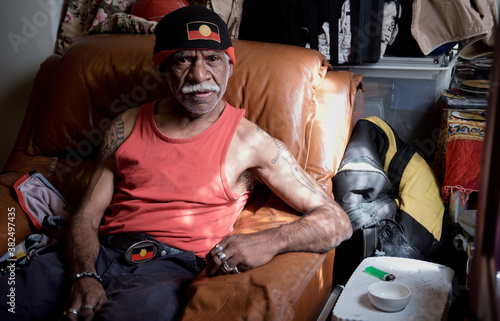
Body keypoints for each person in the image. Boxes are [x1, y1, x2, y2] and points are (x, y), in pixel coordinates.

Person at [0, 5, 352, 321]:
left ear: (230, 64)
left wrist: (269, 242)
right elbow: (88, 215)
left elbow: (336, 221)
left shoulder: (251, 142)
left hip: (167, 270)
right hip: (95, 255)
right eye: (184, 59)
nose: (200, 76)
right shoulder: (125, 124)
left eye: (212, 59)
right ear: (163, 68)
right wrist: (83, 274)